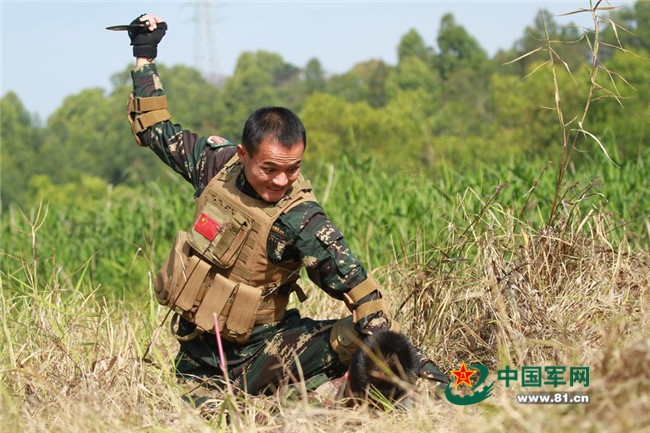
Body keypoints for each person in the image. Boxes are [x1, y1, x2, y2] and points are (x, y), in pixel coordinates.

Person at [123, 13, 447, 401]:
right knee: (210, 417)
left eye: (292, 169)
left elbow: (359, 290)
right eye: (270, 169)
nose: (281, 181)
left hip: (269, 352)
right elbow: (153, 126)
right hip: (199, 363)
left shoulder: (301, 219)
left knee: (358, 339)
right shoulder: (213, 166)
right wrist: (145, 54)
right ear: (243, 154)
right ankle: (311, 397)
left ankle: (393, 392)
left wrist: (415, 374)